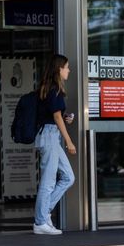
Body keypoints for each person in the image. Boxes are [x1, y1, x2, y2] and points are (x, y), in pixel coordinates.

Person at [33, 54, 77, 235]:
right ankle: (40, 222)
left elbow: (55, 116)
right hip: (50, 138)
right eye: (66, 67)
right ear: (59, 69)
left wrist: (65, 119)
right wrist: (69, 141)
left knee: (68, 177)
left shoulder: (49, 89)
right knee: (48, 182)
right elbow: (56, 116)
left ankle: (44, 213)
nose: (69, 70)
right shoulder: (54, 89)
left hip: (51, 136)